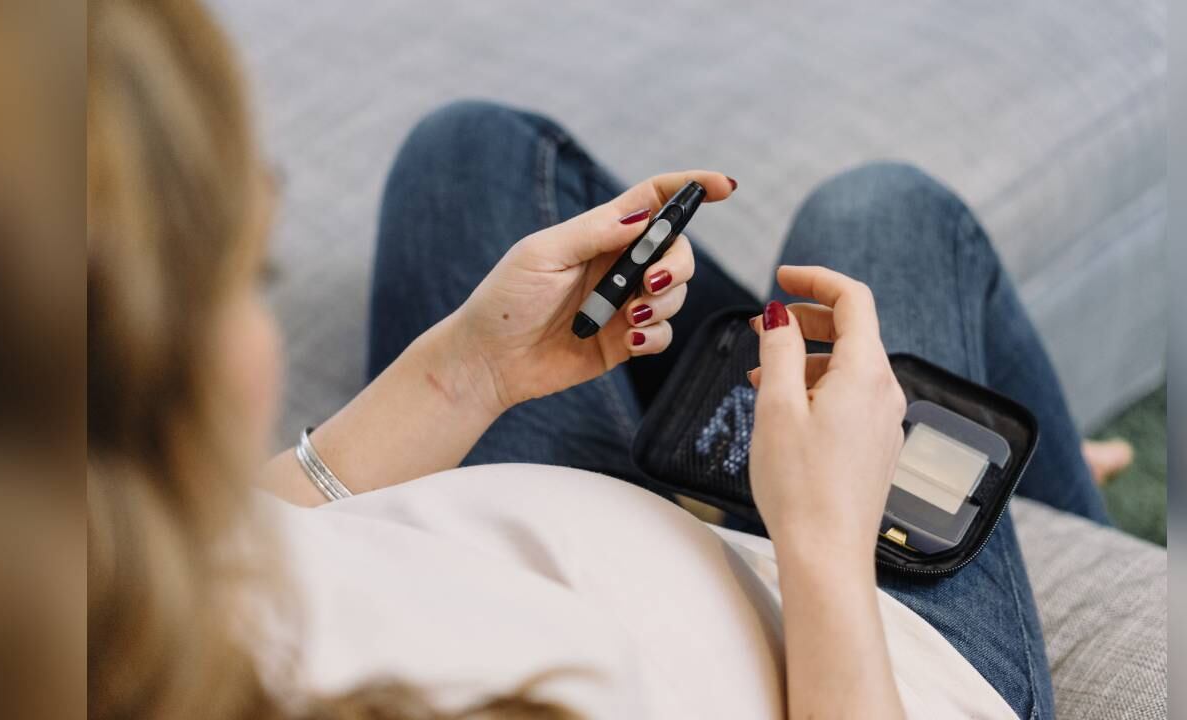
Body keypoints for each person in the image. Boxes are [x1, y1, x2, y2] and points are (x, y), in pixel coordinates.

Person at [88, 0, 1119, 718]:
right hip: (856, 652)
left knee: (469, 152)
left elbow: (240, 551)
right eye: (244, 279)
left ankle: (967, 477)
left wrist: (468, 375)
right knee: (880, 210)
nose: (258, 330)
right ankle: (1053, 518)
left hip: (516, 542)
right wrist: (822, 540)